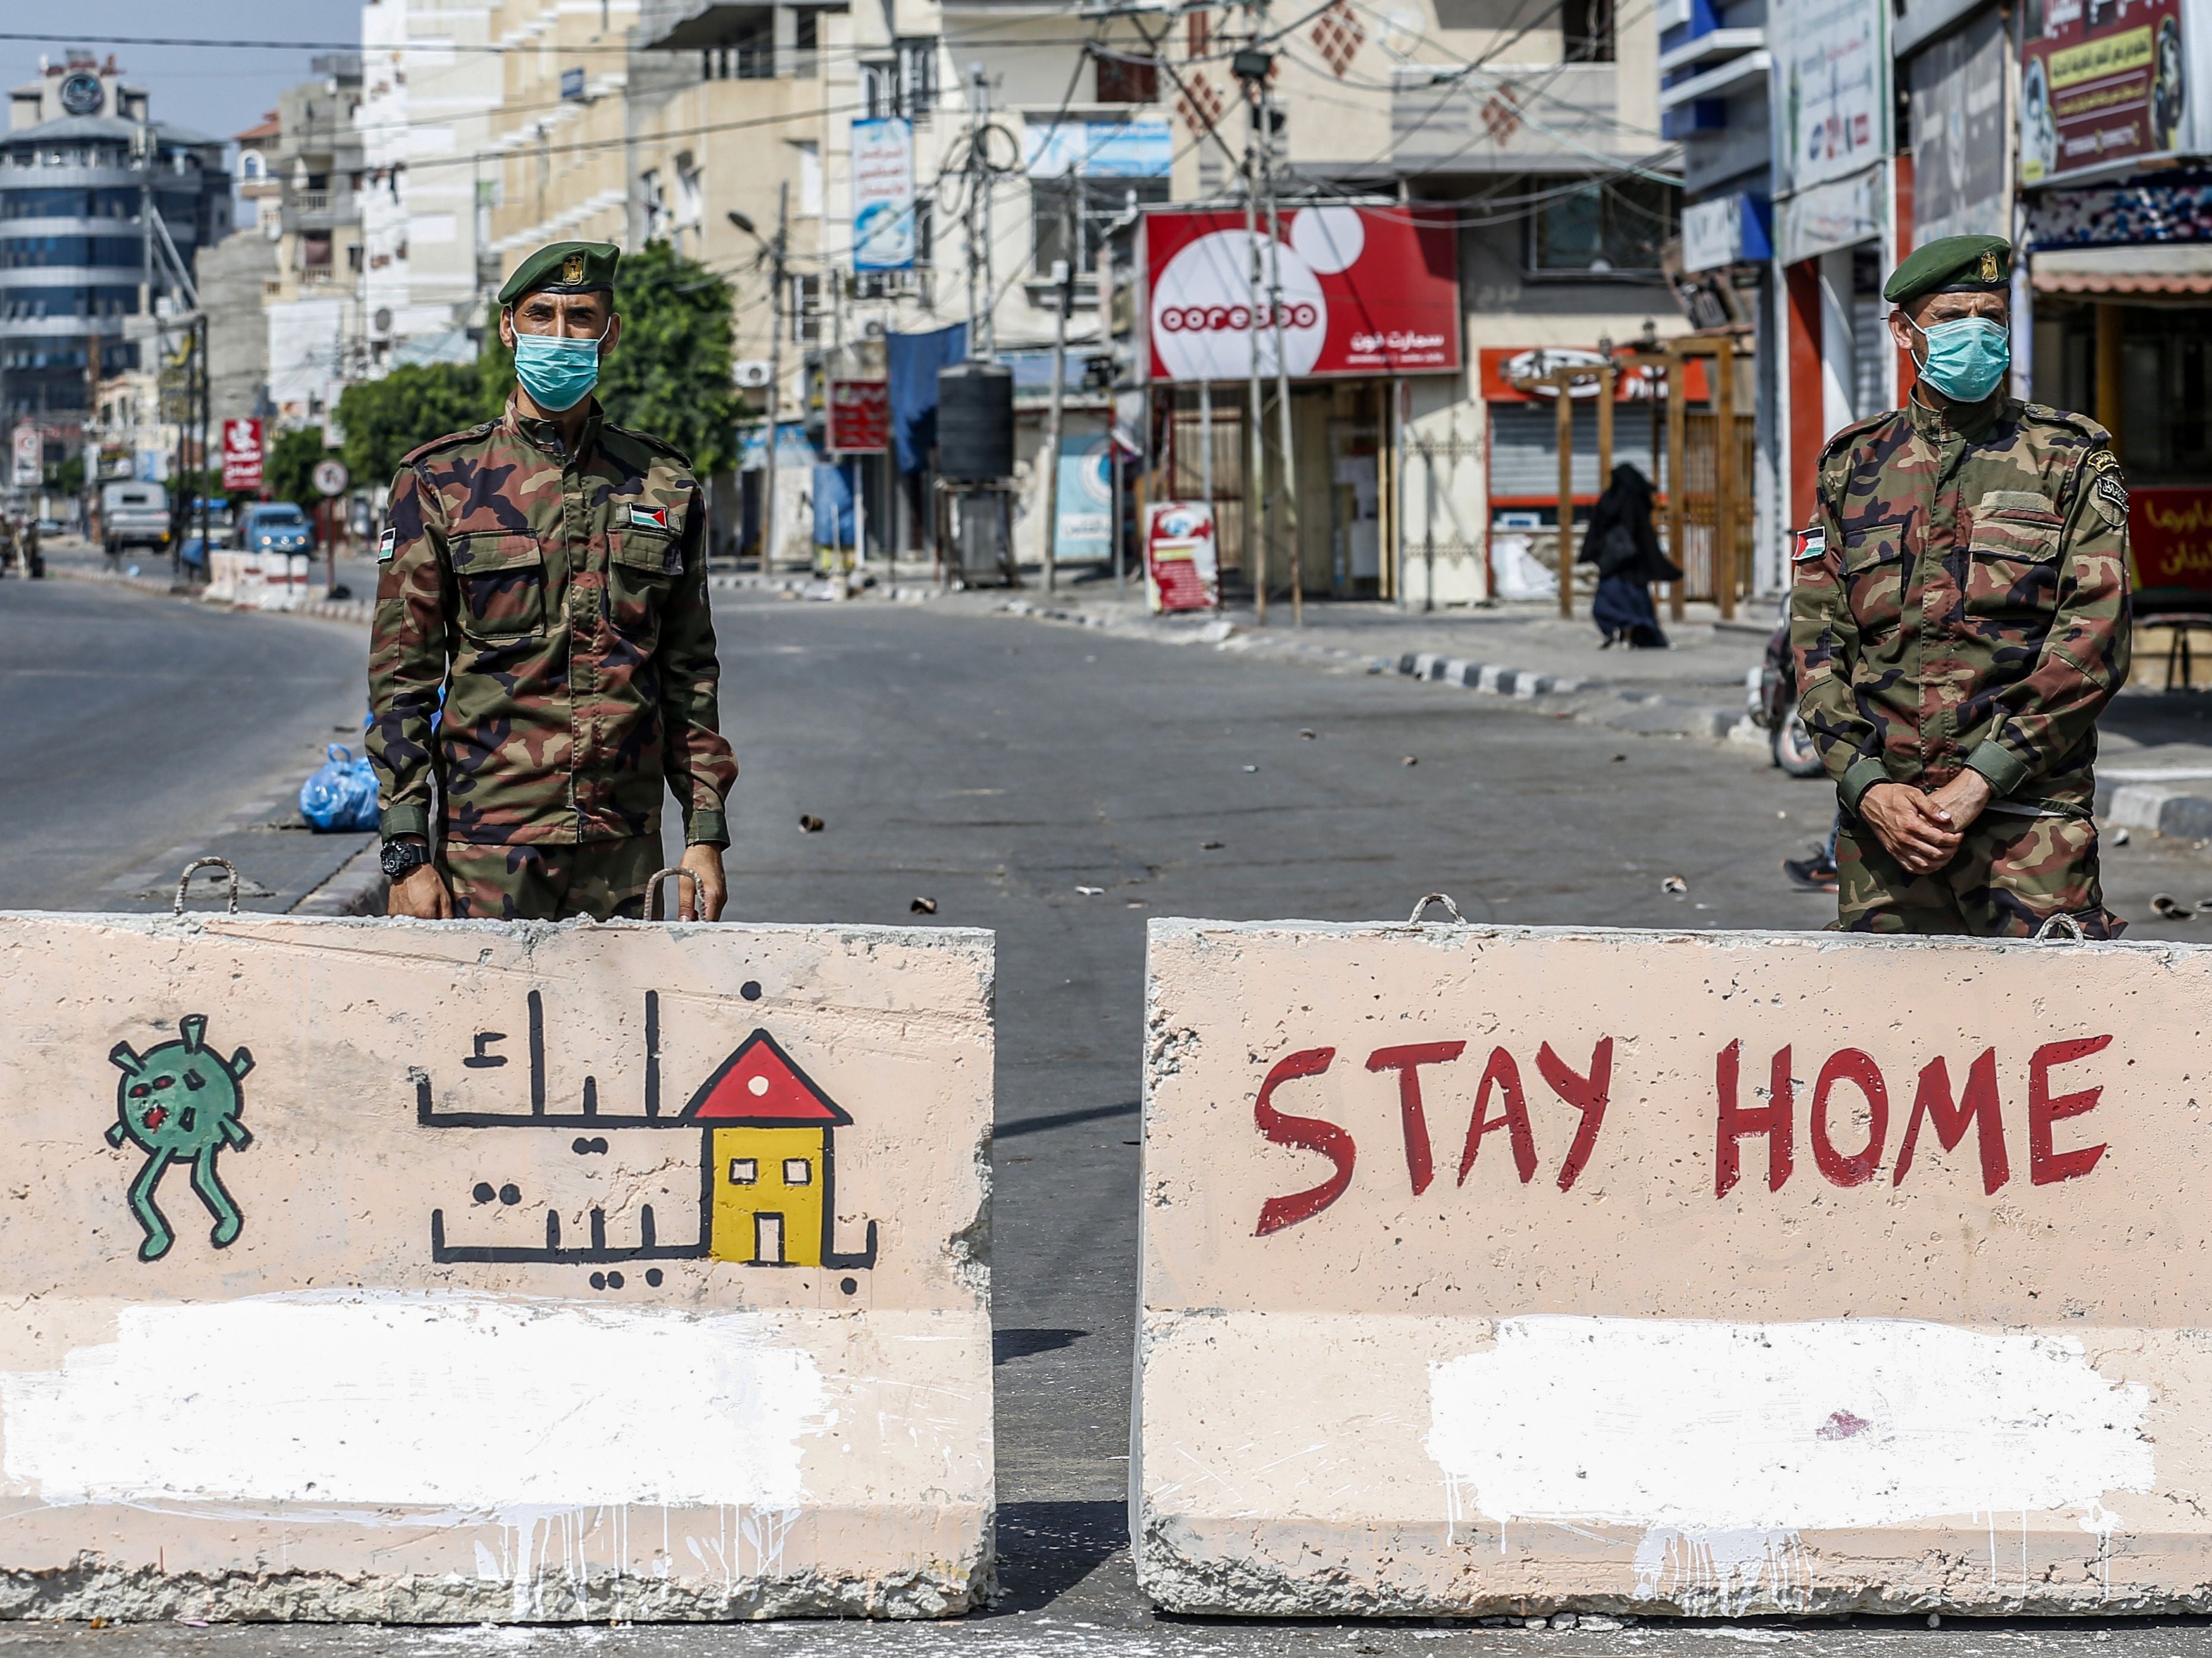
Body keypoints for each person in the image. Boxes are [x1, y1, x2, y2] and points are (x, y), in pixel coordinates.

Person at [367, 240, 737, 923]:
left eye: (581, 319)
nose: (560, 337)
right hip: (487, 846)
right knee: (484, 1031)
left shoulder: (663, 482)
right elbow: (402, 683)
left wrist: (705, 833)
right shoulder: (441, 481)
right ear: (508, 326)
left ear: (610, 333)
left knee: (633, 1033)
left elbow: (689, 672)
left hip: (626, 847)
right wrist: (406, 851)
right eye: (542, 316)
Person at [1791, 233, 2131, 936]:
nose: (1975, 331)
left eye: (1992, 317)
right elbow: (1818, 645)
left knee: (2048, 1031)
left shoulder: (2067, 458)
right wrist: (1867, 783)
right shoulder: (1852, 466)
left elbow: (2095, 637)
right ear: (1904, 330)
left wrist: (1986, 776)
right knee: (1884, 1035)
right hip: (1888, 832)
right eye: (1951, 317)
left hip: (2028, 827)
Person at [1582, 463, 1681, 648]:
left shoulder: (1608, 500)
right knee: (1639, 608)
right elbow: (1643, 535)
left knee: (1608, 604)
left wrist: (1594, 553)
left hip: (1612, 566)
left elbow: (1596, 530)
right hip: (1634, 568)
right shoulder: (1636, 502)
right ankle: (1641, 637)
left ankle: (1618, 630)